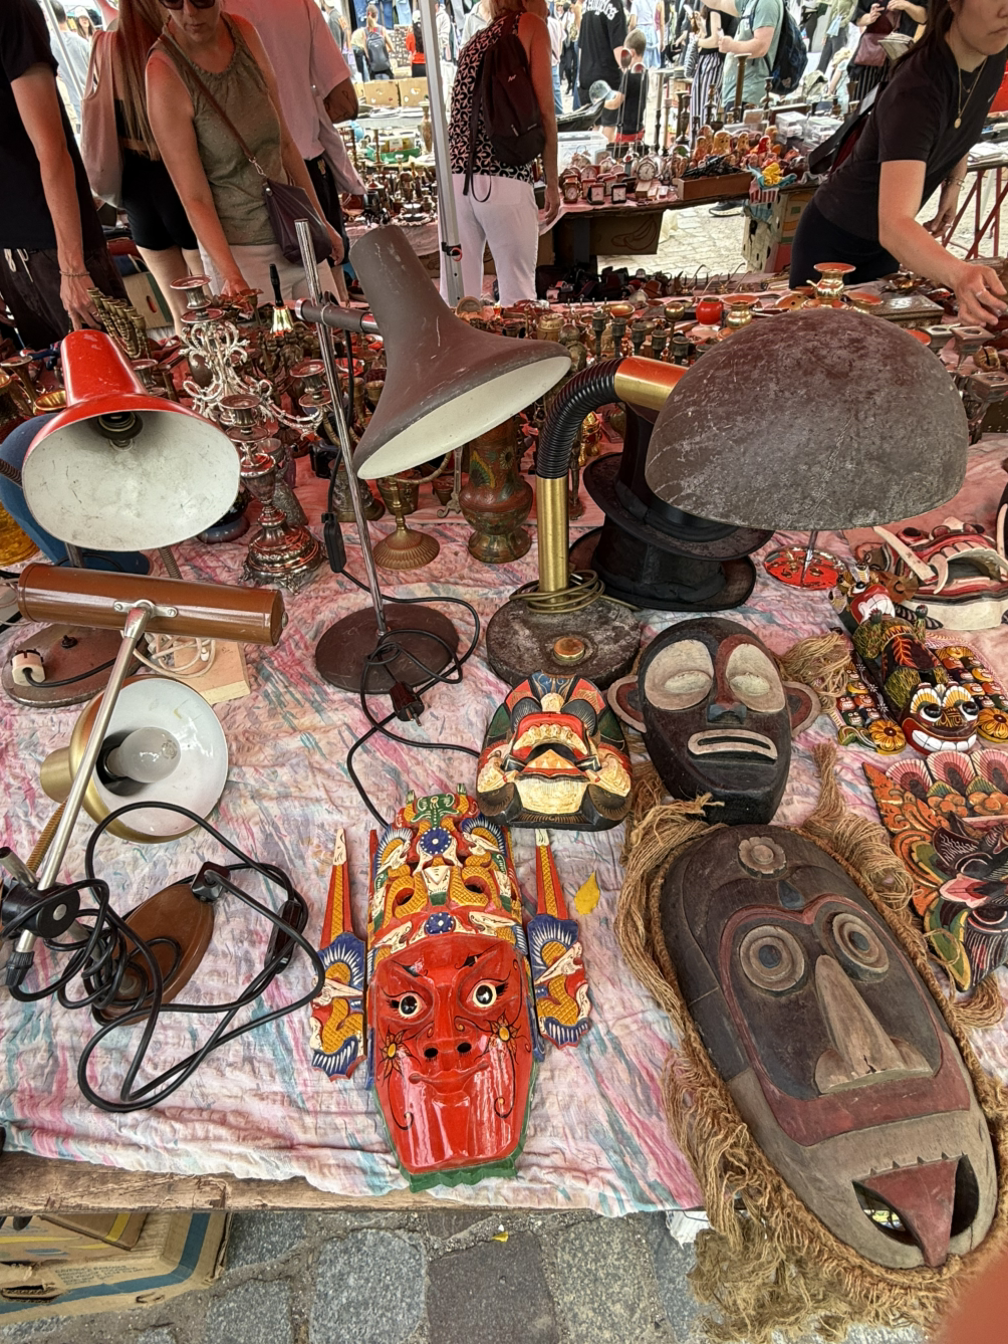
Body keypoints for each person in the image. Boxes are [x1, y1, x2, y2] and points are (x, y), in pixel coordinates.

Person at [789, 0, 1007, 329]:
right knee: (819, 345)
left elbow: (963, 116)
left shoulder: (992, 51)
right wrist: (959, 274)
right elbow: (894, 226)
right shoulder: (917, 89)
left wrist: (954, 180)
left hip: (887, 246)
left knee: (880, 346)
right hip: (834, 239)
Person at [145, 0, 342, 301]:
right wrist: (231, 275)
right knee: (270, 332)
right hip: (240, 252)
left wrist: (320, 220)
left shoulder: (243, 32)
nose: (190, 12)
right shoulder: (164, 71)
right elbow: (194, 196)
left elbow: (284, 144)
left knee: (334, 325)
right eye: (173, 0)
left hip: (296, 229)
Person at [0, 0, 125, 350]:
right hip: (11, 253)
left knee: (115, 371)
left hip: (55, 244)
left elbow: (52, 149)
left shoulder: (11, 11)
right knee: (59, 380)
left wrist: (72, 267)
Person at [84, 0, 202, 337]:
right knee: (211, 308)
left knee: (180, 316)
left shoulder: (106, 44)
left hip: (137, 191)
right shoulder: (174, 42)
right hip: (182, 182)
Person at [224, 0, 357, 286]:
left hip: (250, 178)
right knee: (331, 289)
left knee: (272, 297)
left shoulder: (215, 14)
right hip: (305, 162)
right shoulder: (301, 5)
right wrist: (304, 110)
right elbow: (345, 102)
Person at [443, 0, 560, 304]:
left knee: (458, 300)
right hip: (503, 173)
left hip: (456, 180)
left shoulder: (474, 42)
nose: (547, 7)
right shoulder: (531, 26)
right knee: (518, 300)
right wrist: (552, 182)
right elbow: (546, 114)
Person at [846, 0, 927, 104]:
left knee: (886, 104)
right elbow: (857, 17)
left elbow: (924, 17)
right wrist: (869, 17)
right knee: (858, 102)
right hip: (868, 53)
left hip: (897, 54)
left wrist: (907, 6)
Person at [708, 0, 783, 109]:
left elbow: (761, 47)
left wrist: (731, 46)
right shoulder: (750, 2)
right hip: (737, 91)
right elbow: (717, 2)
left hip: (749, 93)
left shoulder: (767, 3)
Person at [578, 0, 628, 123]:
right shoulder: (614, 4)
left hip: (586, 75)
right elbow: (618, 49)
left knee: (592, 126)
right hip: (607, 80)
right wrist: (630, 75)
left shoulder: (587, 3)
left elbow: (581, 45)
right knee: (608, 129)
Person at [688, 2, 728, 130]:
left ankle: (701, 140)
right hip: (710, 60)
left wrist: (696, 42)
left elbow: (715, 41)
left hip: (712, 61)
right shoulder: (714, 5)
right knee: (700, 112)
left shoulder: (715, 5)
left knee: (705, 112)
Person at [605, 25, 648, 137]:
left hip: (626, 130)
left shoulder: (629, 75)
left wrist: (600, 104)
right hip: (638, 127)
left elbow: (616, 103)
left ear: (631, 52)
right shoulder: (644, 72)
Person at [364, 8, 395, 76]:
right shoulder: (381, 29)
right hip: (385, 65)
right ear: (377, 16)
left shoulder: (364, 31)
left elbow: (366, 53)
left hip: (373, 68)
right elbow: (392, 48)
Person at [548, 2, 565, 109]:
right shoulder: (556, 23)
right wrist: (558, 55)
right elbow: (561, 41)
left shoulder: (537, 23)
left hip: (544, 62)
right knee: (556, 91)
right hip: (553, 61)